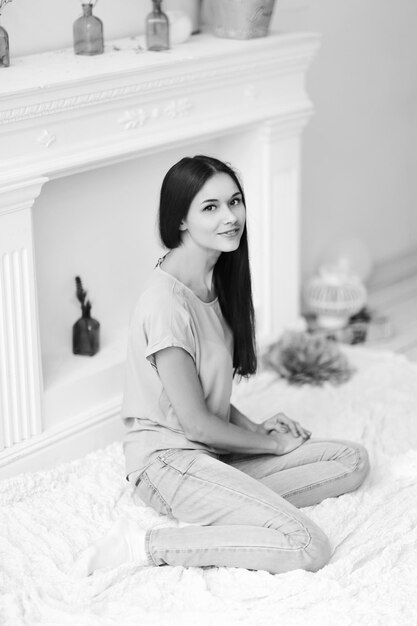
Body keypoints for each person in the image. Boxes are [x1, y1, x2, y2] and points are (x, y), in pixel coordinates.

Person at [71, 155, 369, 578]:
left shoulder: (215, 284)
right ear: (180, 221)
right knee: (307, 545)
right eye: (210, 207)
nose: (230, 217)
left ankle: (228, 500)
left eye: (234, 202)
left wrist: (254, 428)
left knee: (351, 459)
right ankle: (144, 544)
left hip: (211, 455)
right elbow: (194, 424)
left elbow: (206, 394)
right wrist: (271, 446)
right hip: (167, 463)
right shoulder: (165, 304)